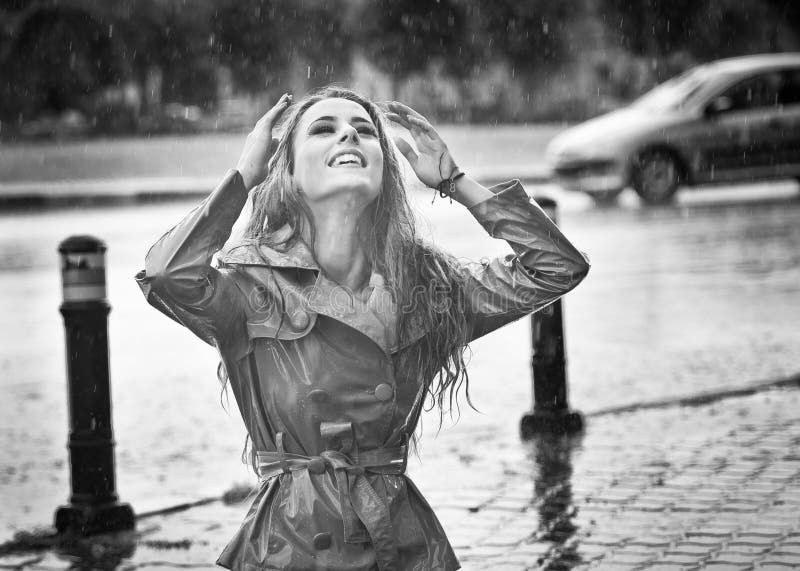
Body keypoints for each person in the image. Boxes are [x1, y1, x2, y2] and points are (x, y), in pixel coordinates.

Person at [136, 86, 590, 571]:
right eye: (323, 129)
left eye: (365, 130)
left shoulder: (430, 289)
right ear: (286, 172)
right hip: (292, 544)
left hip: (397, 540)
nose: (349, 133)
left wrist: (456, 182)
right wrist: (245, 175)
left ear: (386, 172)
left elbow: (556, 269)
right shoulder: (251, 287)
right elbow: (166, 275)